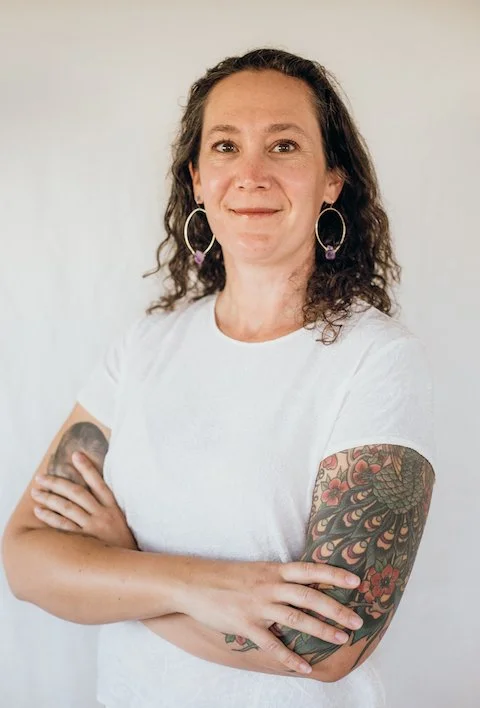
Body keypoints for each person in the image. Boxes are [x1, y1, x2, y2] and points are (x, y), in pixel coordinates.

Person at [2, 48, 436, 708]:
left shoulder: (376, 358)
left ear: (331, 180)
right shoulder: (144, 348)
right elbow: (27, 559)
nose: (251, 174)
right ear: (199, 180)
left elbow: (329, 648)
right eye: (226, 146)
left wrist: (121, 571)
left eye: (284, 145)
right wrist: (189, 584)